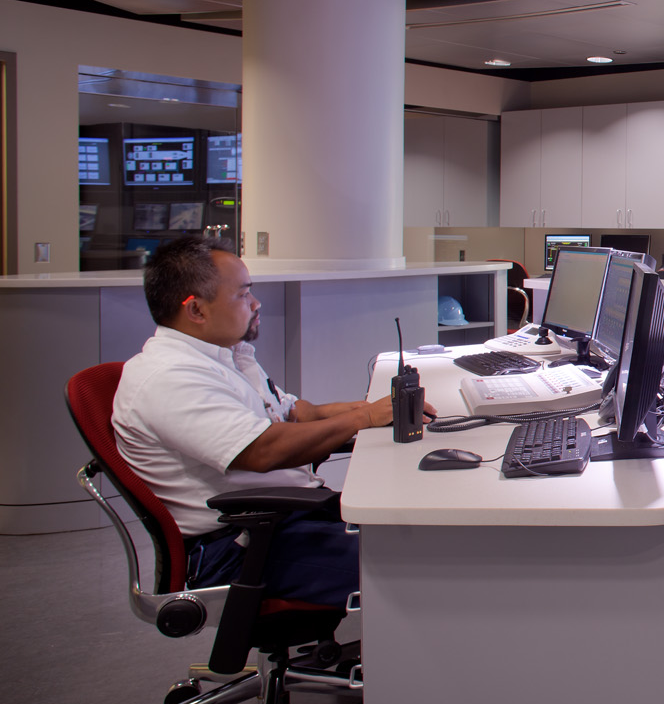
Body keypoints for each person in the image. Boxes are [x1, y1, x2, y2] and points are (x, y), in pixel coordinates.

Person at [112, 237, 429, 607]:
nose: (255, 303)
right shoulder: (170, 378)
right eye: (243, 294)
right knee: (425, 567)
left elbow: (295, 412)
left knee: (432, 540)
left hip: (284, 519)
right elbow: (261, 451)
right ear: (196, 309)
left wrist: (376, 408)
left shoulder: (226, 356)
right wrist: (364, 418)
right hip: (242, 546)